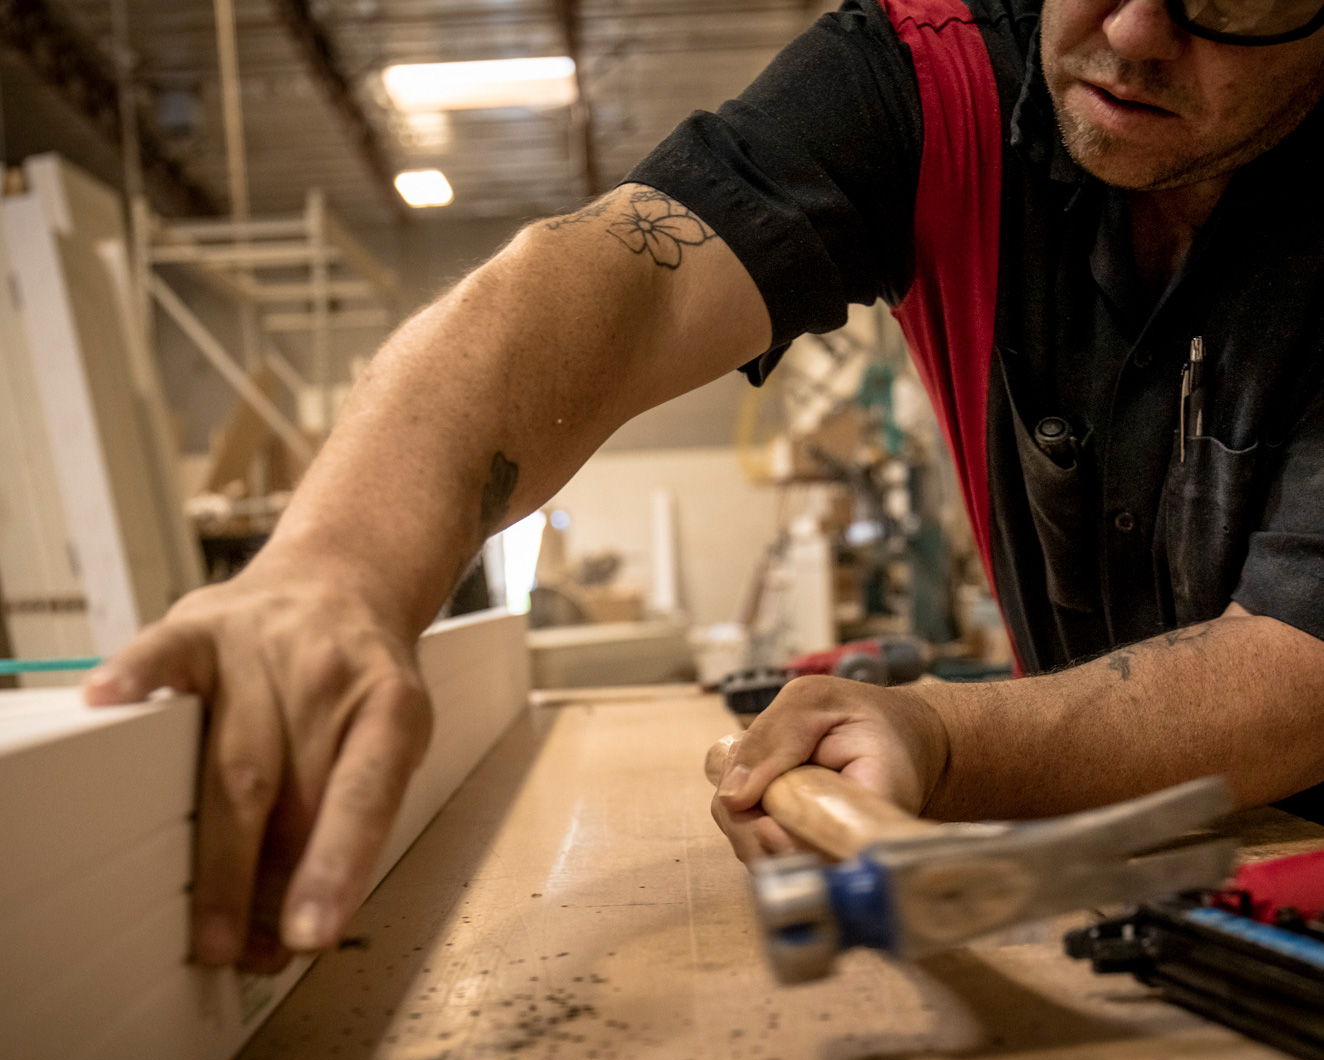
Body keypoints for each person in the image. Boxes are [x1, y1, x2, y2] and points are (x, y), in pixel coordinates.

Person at [84, 0, 1324, 972]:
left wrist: (942, 733)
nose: (1134, 31)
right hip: (1167, 879)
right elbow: (613, 277)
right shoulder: (939, 71)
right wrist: (337, 568)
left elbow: (1300, 668)